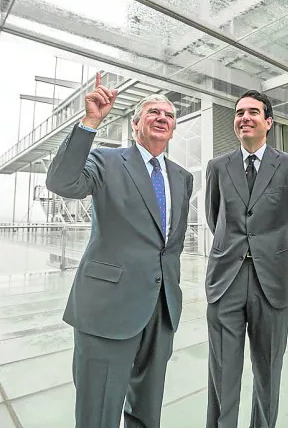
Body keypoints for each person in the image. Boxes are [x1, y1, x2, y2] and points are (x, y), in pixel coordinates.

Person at [46, 72, 193, 428]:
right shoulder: (106, 160)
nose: (162, 118)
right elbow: (62, 182)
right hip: (108, 308)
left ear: (173, 129)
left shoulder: (182, 177)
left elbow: (166, 244)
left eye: (169, 115)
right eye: (153, 112)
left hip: (160, 309)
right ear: (135, 123)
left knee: (147, 409)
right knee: (99, 411)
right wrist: (91, 122)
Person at [205, 90, 288, 427]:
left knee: (268, 369)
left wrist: (269, 247)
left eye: (252, 112)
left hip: (271, 280)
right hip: (226, 280)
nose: (244, 118)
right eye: (239, 113)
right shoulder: (218, 166)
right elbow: (213, 215)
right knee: (223, 370)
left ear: (268, 122)